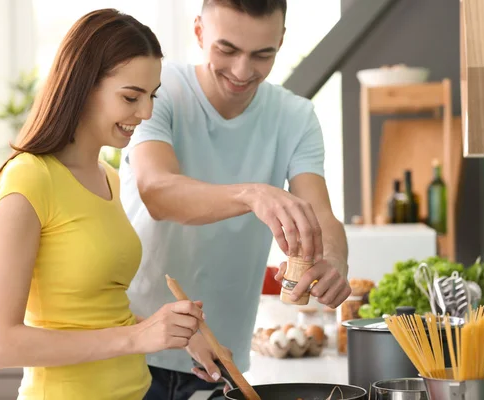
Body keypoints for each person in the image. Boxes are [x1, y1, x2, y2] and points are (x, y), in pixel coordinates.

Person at [119, 1, 352, 399]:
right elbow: (158, 191)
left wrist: (332, 261)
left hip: (219, 357)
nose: (243, 71)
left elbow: (321, 215)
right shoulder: (159, 90)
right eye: (226, 50)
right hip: (134, 340)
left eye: (263, 54)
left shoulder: (295, 117)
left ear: (280, 41)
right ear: (198, 33)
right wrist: (252, 194)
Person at [0, 8, 205, 400]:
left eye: (151, 96)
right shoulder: (29, 178)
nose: (147, 112)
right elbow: (1, 345)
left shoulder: (109, 177)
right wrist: (138, 337)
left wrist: (170, 332)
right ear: (84, 86)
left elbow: (99, 313)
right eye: (131, 96)